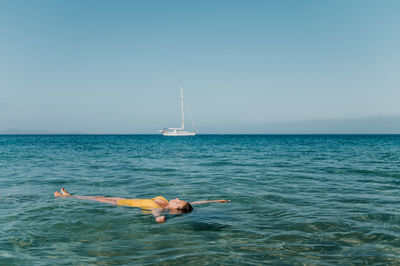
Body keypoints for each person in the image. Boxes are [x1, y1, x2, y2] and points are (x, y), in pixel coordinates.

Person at [54, 188, 229, 223]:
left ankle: (69, 197)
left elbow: (154, 211)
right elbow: (195, 203)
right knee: (100, 196)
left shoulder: (162, 208)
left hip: (121, 203)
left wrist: (159, 217)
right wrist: (216, 201)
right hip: (124, 199)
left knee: (98, 198)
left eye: (178, 201)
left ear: (176, 209)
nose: (176, 198)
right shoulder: (170, 204)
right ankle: (71, 196)